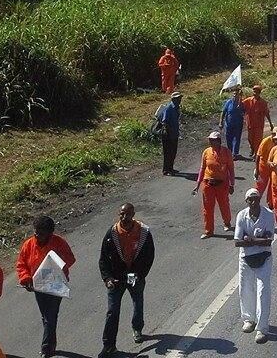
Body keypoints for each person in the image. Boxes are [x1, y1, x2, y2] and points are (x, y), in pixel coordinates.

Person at [15, 215, 76, 358]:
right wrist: (26, 278)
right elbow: (21, 264)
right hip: (38, 287)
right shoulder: (28, 244)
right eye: (36, 231)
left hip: (56, 285)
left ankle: (46, 349)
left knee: (50, 316)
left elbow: (70, 259)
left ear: (50, 233)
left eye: (41, 232)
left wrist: (55, 267)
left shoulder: (59, 243)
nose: (37, 235)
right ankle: (51, 343)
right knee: (46, 317)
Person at [99, 204, 154, 355]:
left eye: (128, 214)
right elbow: (103, 259)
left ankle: (137, 328)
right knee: (112, 311)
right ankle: (109, 345)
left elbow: (149, 257)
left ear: (133, 214)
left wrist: (140, 275)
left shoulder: (143, 232)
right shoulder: (112, 233)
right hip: (116, 278)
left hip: (134, 276)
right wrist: (107, 278)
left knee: (137, 301)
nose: (124, 217)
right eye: (122, 214)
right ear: (119, 213)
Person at [234, 188, 275, 344]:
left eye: (256, 198)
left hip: (264, 258)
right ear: (246, 201)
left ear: (260, 199)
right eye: (250, 199)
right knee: (245, 288)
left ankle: (262, 328)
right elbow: (237, 242)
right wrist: (258, 240)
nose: (253, 202)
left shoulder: (269, 215)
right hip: (246, 259)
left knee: (263, 291)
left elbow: (268, 241)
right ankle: (249, 319)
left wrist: (250, 239)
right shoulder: (241, 216)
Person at [192, 131, 235, 238]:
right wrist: (198, 184)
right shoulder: (206, 152)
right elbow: (202, 168)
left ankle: (227, 222)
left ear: (219, 141)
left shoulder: (226, 152)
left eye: (214, 140)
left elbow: (231, 169)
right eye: (210, 140)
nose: (211, 142)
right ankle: (208, 231)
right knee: (207, 208)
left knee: (224, 205)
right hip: (208, 184)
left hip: (222, 184)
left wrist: (232, 184)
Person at [242, 85, 274, 160]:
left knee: (258, 140)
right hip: (250, 125)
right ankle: (252, 148)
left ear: (259, 93)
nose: (254, 92)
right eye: (253, 91)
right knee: (250, 139)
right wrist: (239, 95)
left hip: (259, 126)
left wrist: (270, 123)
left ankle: (256, 154)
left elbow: (267, 113)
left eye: (256, 91)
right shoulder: (248, 100)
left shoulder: (263, 103)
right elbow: (240, 105)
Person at [254, 126, 277, 208]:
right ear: (272, 134)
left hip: (273, 166)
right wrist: (257, 170)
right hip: (264, 167)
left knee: (272, 185)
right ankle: (255, 200)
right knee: (261, 185)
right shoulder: (266, 141)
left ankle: (271, 202)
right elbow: (258, 156)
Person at [157, 91, 182, 175]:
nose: (180, 100)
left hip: (174, 133)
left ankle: (170, 168)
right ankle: (166, 169)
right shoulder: (169, 108)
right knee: (168, 152)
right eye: (178, 98)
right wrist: (169, 133)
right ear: (173, 99)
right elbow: (165, 122)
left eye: (180, 98)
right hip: (168, 134)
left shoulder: (176, 107)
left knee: (173, 152)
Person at [220, 87, 246, 158]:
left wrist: (240, 109)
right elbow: (223, 112)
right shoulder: (229, 102)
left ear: (239, 95)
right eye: (234, 94)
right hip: (229, 124)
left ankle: (235, 153)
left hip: (238, 124)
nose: (235, 95)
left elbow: (244, 113)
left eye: (236, 94)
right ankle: (229, 152)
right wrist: (221, 122)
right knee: (228, 138)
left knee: (237, 138)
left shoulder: (242, 103)